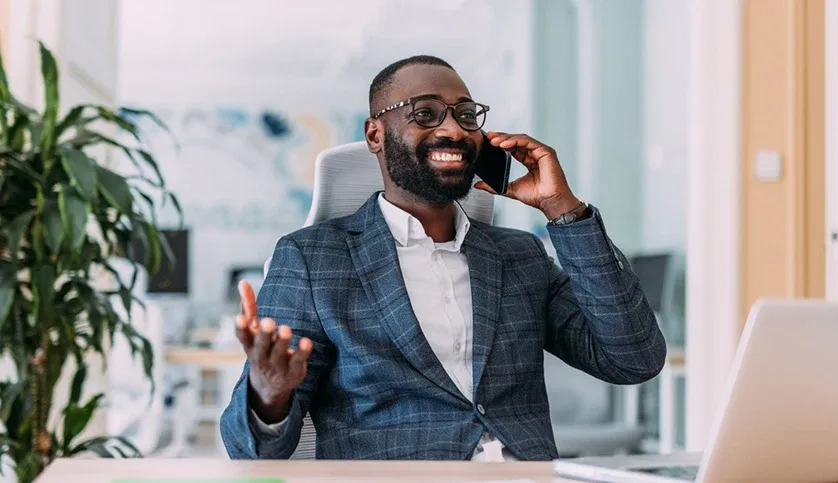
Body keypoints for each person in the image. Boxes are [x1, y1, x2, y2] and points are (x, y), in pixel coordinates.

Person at [220, 55, 666, 461]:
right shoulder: (314, 259)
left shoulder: (519, 255)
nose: (453, 129)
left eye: (466, 115)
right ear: (376, 134)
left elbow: (633, 358)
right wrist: (268, 394)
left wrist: (563, 209)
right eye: (425, 113)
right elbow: (249, 449)